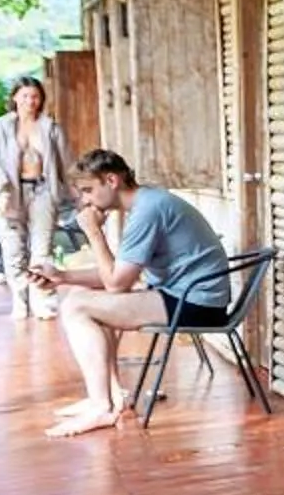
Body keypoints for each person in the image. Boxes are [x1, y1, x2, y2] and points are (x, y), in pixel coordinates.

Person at [30, 149, 230, 437]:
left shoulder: (147, 211)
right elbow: (118, 273)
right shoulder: (146, 203)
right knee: (81, 298)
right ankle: (112, 397)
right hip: (184, 295)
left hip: (197, 303)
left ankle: (102, 406)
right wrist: (62, 277)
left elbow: (116, 283)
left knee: (77, 306)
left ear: (111, 180)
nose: (85, 201)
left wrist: (93, 233)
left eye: (88, 190)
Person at [0, 75, 70, 322]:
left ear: (41, 99)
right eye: (25, 96)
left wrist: (70, 192)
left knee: (42, 248)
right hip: (11, 191)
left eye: (35, 96)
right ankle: (19, 300)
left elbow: (64, 162)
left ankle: (43, 300)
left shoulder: (50, 127)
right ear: (15, 98)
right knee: (13, 248)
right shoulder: (1, 127)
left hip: (42, 190)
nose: (30, 101)